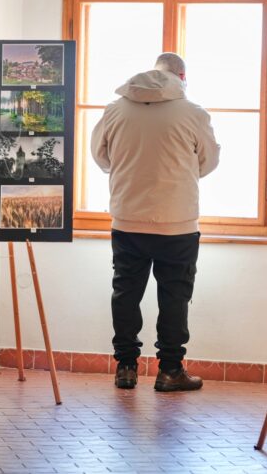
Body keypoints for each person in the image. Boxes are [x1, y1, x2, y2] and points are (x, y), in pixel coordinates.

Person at [91, 53, 220, 392]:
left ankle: (126, 368)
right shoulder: (193, 112)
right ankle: (170, 371)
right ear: (182, 76)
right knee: (175, 297)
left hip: (127, 217)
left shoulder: (115, 109)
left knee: (125, 293)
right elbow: (208, 162)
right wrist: (181, 173)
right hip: (177, 222)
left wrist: (126, 171)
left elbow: (100, 156)